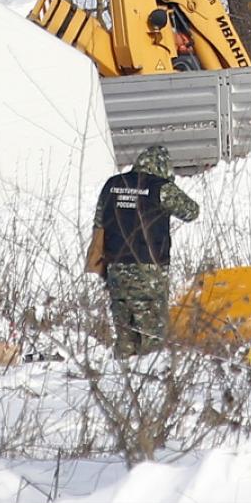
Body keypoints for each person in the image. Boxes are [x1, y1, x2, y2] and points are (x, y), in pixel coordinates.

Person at [93, 145, 199, 357]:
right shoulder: (160, 187)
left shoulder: (112, 185)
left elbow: (98, 223)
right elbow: (191, 211)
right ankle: (149, 383)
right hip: (148, 270)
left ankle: (122, 381)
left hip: (115, 269)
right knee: (153, 338)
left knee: (124, 335)